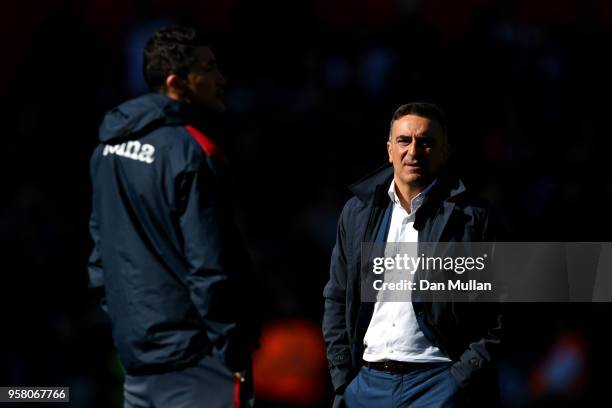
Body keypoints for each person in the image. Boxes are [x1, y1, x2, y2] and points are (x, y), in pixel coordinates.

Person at [88, 26, 259, 408]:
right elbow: (210, 265)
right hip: (198, 364)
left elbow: (100, 256)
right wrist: (230, 347)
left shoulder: (107, 148)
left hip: (136, 357)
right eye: (209, 68)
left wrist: (128, 323)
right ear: (176, 82)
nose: (221, 78)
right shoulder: (193, 151)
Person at [322, 102, 504, 407]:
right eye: (404, 140)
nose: (414, 150)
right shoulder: (356, 212)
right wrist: (344, 381)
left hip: (439, 383)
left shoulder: (475, 217)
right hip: (366, 385)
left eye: (426, 142)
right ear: (389, 150)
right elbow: (337, 297)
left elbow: (506, 309)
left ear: (444, 152)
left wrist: (460, 378)